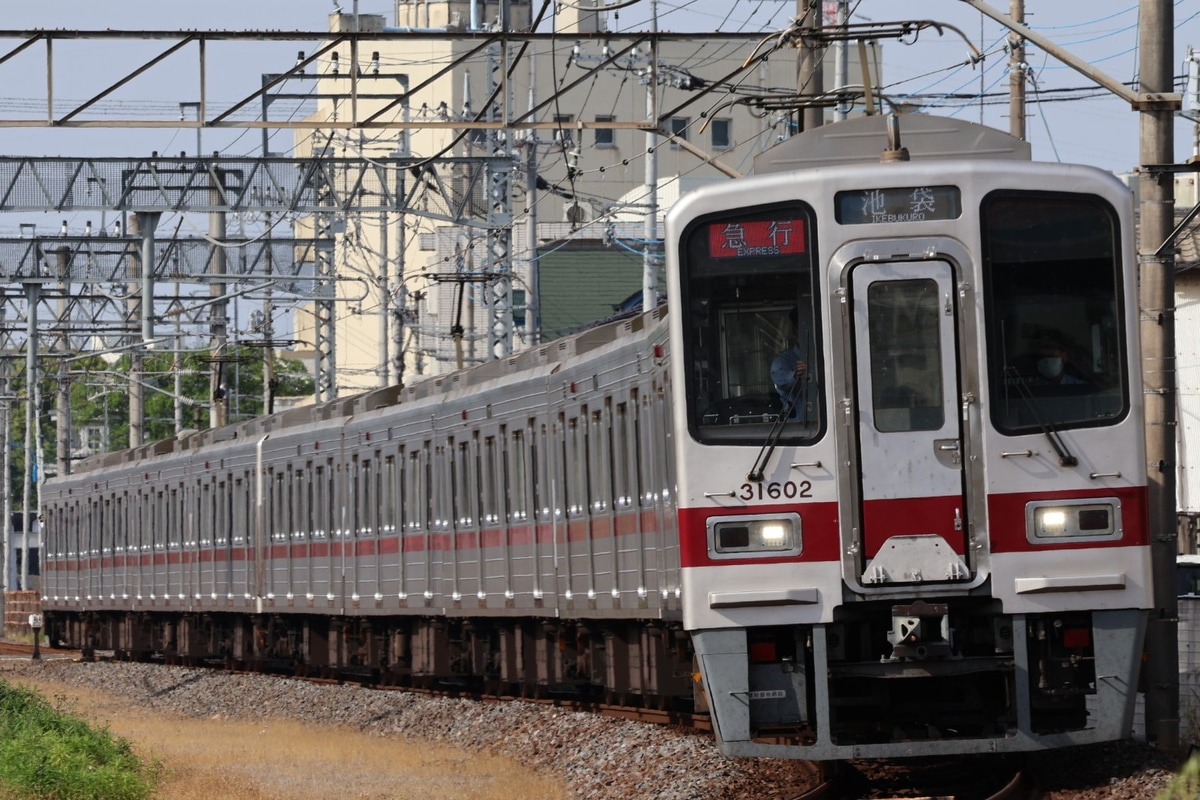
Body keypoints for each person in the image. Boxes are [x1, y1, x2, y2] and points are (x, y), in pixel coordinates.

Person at [771, 309, 809, 418]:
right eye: (801, 325)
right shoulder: (782, 361)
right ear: (794, 329)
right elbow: (781, 380)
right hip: (798, 427)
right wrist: (796, 374)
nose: (806, 330)